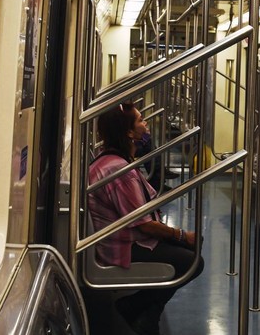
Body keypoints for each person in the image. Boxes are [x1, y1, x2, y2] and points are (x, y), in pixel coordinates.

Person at [87, 102, 203, 335]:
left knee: (187, 249)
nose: (146, 124)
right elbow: (143, 224)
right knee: (193, 262)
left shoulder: (108, 159)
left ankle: (147, 315)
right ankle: (134, 308)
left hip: (120, 239)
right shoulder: (120, 172)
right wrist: (181, 235)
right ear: (129, 132)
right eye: (140, 120)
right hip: (122, 247)